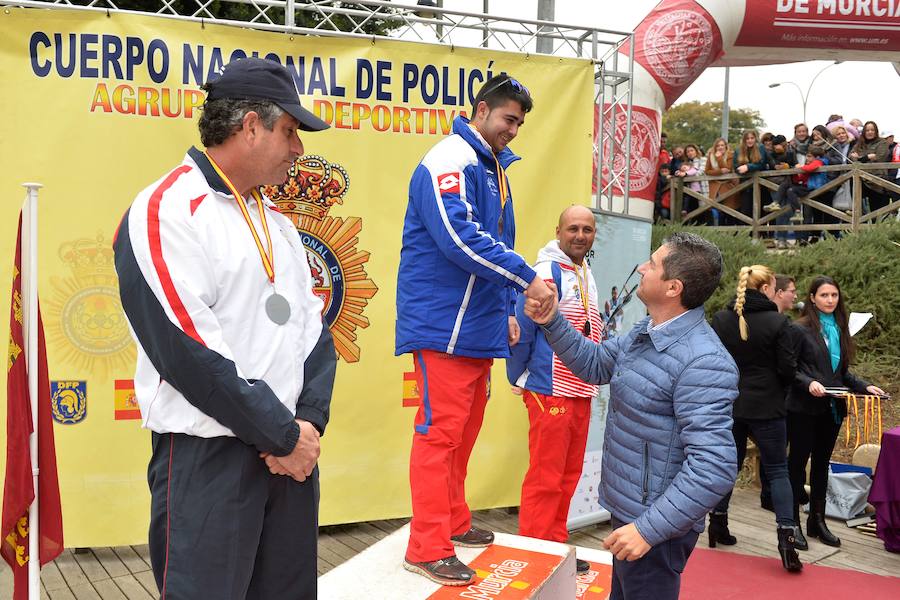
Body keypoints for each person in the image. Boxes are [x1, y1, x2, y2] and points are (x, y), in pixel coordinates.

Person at [113, 57, 336, 599]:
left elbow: (313, 332)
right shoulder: (167, 210)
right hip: (210, 458)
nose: (298, 149)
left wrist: (306, 426)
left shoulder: (275, 222)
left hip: (288, 460)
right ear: (251, 126)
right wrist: (283, 436)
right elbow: (187, 352)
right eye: (290, 131)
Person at [395, 73, 556, 586]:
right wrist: (528, 279)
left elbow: (495, 242)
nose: (514, 130)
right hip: (444, 324)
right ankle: (426, 547)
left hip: (476, 324)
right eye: (509, 119)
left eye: (520, 123)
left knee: (462, 433)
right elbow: (459, 239)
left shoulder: (490, 165)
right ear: (481, 109)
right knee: (439, 436)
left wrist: (507, 309)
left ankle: (453, 522)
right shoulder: (451, 158)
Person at [525, 232, 739, 600]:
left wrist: (647, 530)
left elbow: (714, 467)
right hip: (631, 514)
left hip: (655, 528)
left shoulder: (705, 361)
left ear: (673, 287)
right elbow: (595, 365)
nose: (641, 268)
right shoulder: (648, 330)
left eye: (652, 264)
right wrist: (552, 321)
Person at [506, 205, 602, 574]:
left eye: (587, 230)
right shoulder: (547, 272)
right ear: (558, 231)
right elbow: (522, 329)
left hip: (580, 387)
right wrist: (519, 376)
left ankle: (555, 546)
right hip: (550, 388)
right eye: (573, 228)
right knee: (546, 476)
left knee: (568, 475)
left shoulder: (583, 271)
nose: (580, 235)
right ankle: (535, 552)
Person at [708, 265, 802, 572]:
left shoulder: (721, 319)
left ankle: (717, 523)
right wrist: (778, 390)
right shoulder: (778, 322)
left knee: (728, 466)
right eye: (774, 287)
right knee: (777, 470)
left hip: (730, 404)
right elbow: (788, 369)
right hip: (768, 406)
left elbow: (712, 361)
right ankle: (787, 538)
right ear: (764, 289)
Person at [787, 276, 887, 549]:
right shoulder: (799, 329)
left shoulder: (840, 329)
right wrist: (808, 383)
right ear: (812, 298)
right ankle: (791, 523)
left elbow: (841, 374)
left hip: (831, 409)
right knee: (797, 464)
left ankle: (817, 521)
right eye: (824, 295)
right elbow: (788, 368)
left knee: (822, 464)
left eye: (834, 295)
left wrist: (865, 386)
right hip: (803, 408)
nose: (830, 300)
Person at [850, 121, 892, 213]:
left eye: (872, 130)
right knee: (852, 184)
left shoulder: (882, 142)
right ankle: (856, 212)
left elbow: (880, 157)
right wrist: (868, 157)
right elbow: (851, 156)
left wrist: (861, 158)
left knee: (878, 213)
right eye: (867, 130)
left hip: (877, 181)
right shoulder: (859, 143)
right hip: (862, 179)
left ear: (876, 131)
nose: (870, 132)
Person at [734, 130, 768, 217]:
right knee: (746, 211)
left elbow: (762, 164)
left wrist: (748, 167)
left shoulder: (760, 147)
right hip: (745, 185)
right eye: (747, 138)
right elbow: (735, 166)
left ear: (755, 138)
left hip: (760, 184)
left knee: (760, 211)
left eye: (752, 138)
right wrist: (741, 169)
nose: (750, 140)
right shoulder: (738, 150)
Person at [706, 138, 737, 225]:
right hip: (715, 187)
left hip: (728, 187)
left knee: (730, 213)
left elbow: (727, 169)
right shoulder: (711, 156)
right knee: (719, 213)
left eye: (722, 145)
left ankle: (732, 232)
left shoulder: (731, 155)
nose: (720, 147)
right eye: (718, 146)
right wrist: (719, 171)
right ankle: (720, 232)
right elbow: (707, 171)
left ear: (726, 146)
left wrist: (719, 158)